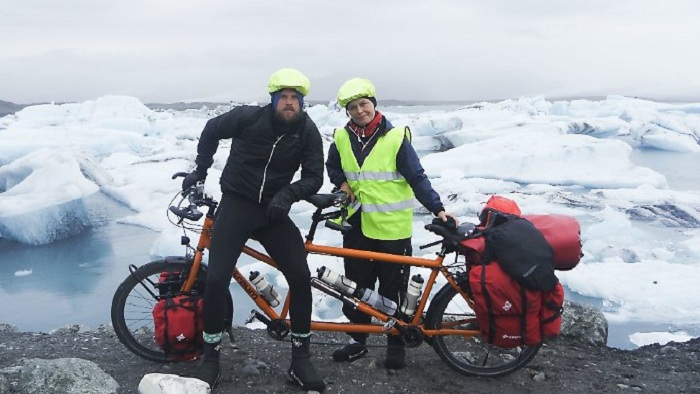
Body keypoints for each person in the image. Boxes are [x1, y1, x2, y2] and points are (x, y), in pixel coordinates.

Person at [180, 68, 325, 392]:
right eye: (283, 97)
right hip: (238, 204)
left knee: (301, 278)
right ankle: (211, 359)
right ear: (273, 100)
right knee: (216, 279)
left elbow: (315, 176)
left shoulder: (308, 132)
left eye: (294, 98)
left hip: (274, 210)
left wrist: (286, 196)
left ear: (301, 103)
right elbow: (211, 129)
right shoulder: (248, 118)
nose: (289, 103)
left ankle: (301, 360)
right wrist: (201, 169)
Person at [325, 78, 456, 369]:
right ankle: (358, 341)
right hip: (357, 225)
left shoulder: (395, 138)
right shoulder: (342, 138)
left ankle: (395, 341)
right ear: (347, 112)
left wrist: (438, 208)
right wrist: (342, 183)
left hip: (392, 230)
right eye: (352, 107)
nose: (359, 111)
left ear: (374, 103)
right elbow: (333, 165)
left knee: (392, 288)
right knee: (355, 287)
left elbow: (416, 177)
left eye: (363, 104)